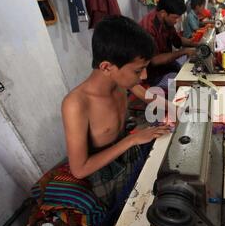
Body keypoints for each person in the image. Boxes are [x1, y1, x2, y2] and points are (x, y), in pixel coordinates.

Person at [61, 16, 170, 210]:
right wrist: (132, 140)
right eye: (138, 71)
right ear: (106, 67)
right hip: (105, 173)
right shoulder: (76, 104)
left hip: (126, 151)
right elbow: (79, 169)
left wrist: (180, 108)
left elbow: (146, 95)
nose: (144, 76)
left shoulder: (121, 81)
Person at [140, 0, 198, 88]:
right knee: (189, 85)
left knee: (191, 73)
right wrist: (183, 51)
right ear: (163, 13)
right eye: (175, 18)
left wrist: (196, 44)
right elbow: (155, 60)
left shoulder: (166, 21)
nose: (176, 21)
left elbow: (177, 40)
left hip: (167, 67)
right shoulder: (148, 28)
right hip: (155, 77)